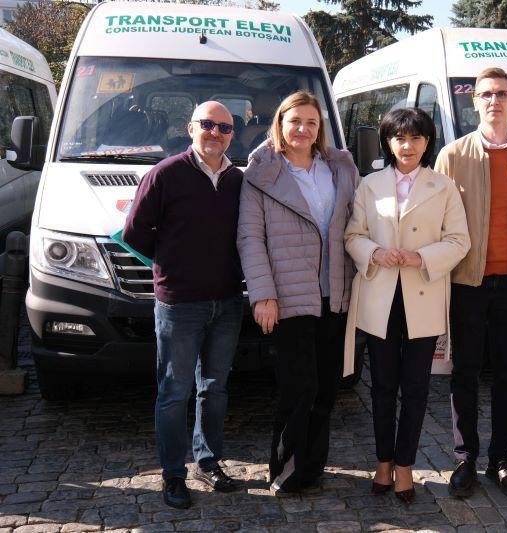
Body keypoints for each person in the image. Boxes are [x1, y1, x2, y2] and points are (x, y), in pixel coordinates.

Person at [434, 67, 507, 500]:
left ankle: (501, 459)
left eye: (502, 93)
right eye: (486, 94)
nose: (494, 101)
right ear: (474, 102)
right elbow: (438, 225)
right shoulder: (453, 155)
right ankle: (465, 458)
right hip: (466, 283)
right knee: (464, 372)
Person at [344, 108, 470, 504]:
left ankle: (405, 465)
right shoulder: (369, 184)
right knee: (382, 385)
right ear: (388, 141)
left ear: (427, 142)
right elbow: (353, 235)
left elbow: (459, 241)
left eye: (416, 137)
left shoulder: (443, 187)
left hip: (423, 295)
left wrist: (421, 257)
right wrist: (375, 252)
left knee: (415, 388)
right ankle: (383, 461)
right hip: (380, 296)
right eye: (399, 137)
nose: (407, 145)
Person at [123, 101, 244, 509]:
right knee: (174, 392)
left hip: (227, 301)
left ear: (232, 134)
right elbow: (135, 233)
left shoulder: (238, 180)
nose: (216, 132)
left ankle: (208, 462)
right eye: (207, 124)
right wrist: (172, 264)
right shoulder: (164, 174)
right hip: (179, 304)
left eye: (224, 127)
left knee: (215, 388)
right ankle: (173, 474)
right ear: (191, 128)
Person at [237, 91, 359, 494]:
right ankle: (285, 470)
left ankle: (313, 466)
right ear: (280, 124)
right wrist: (262, 295)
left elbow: (357, 224)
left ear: (319, 128)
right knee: (298, 388)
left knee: (327, 388)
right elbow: (250, 238)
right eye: (295, 121)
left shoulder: (339, 167)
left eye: (311, 122)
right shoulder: (261, 173)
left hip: (335, 295)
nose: (303, 129)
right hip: (288, 296)